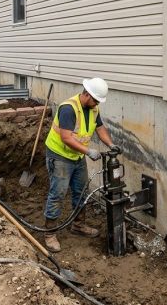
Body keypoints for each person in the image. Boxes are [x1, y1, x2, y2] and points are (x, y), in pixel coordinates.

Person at [42, 77, 120, 252]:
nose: (97, 104)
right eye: (96, 100)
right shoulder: (68, 109)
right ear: (87, 94)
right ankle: (49, 233)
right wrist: (89, 151)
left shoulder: (93, 109)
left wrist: (111, 144)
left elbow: (100, 128)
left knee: (81, 191)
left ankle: (78, 226)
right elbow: (66, 137)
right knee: (58, 193)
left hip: (77, 156)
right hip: (60, 156)